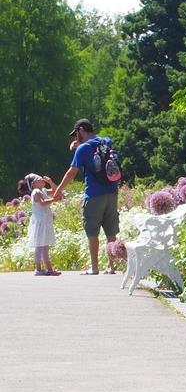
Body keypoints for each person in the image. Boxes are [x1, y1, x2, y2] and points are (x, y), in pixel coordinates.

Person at [54, 118, 120, 275]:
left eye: (76, 134)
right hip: (112, 192)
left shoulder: (82, 149)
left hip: (94, 194)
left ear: (81, 130)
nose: (75, 138)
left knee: (92, 232)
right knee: (111, 232)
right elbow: (97, 146)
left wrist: (59, 190)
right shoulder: (106, 142)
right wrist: (77, 145)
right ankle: (111, 267)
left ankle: (94, 267)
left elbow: (72, 173)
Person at [17, 173, 62, 276]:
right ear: (34, 183)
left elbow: (56, 191)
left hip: (45, 221)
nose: (43, 180)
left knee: (45, 246)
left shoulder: (43, 190)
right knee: (40, 246)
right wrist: (54, 200)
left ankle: (49, 269)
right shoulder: (35, 192)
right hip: (40, 222)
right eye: (40, 179)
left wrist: (51, 182)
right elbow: (42, 203)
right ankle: (39, 269)